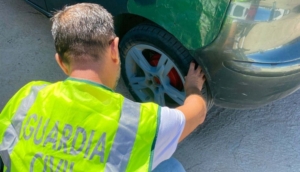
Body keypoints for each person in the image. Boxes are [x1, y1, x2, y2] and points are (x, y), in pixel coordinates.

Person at [0, 3, 207, 172]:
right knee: (171, 167)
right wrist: (193, 88)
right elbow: (197, 113)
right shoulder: (138, 123)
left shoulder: (28, 96)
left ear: (61, 63)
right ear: (115, 48)